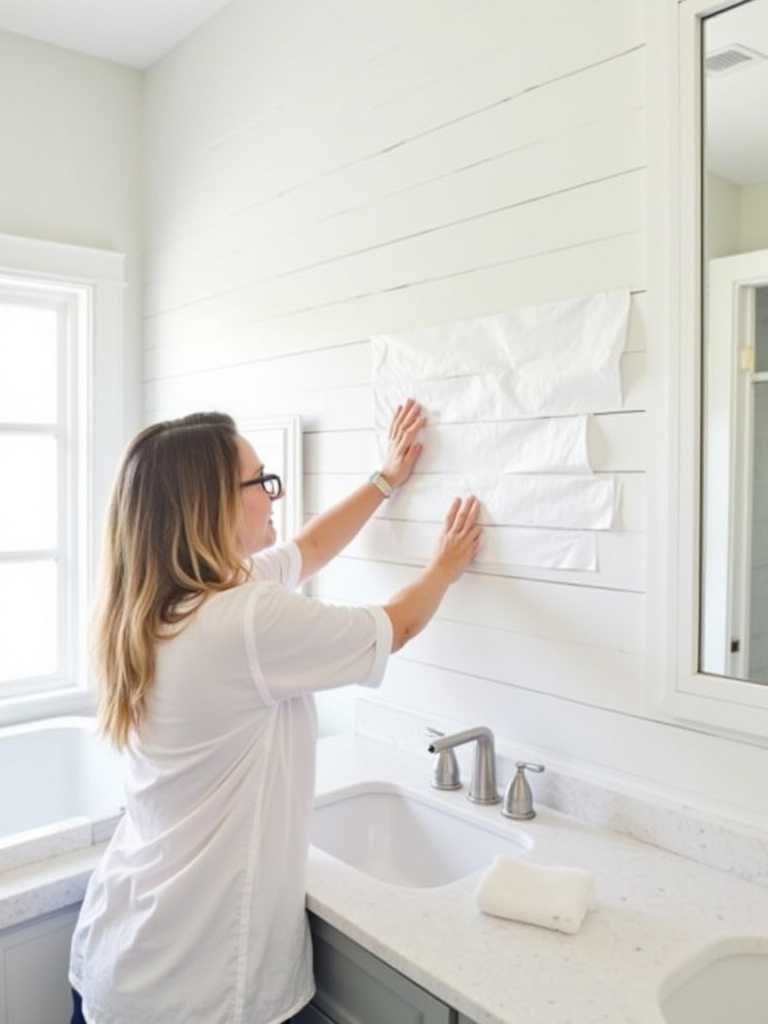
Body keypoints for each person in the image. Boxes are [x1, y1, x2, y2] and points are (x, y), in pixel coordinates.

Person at [68, 399, 482, 1024]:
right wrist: (444, 567)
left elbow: (308, 549)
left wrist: (385, 478)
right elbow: (394, 627)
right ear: (210, 504)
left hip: (119, 954)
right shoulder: (243, 620)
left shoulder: (170, 604)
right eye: (260, 481)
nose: (273, 494)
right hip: (189, 988)